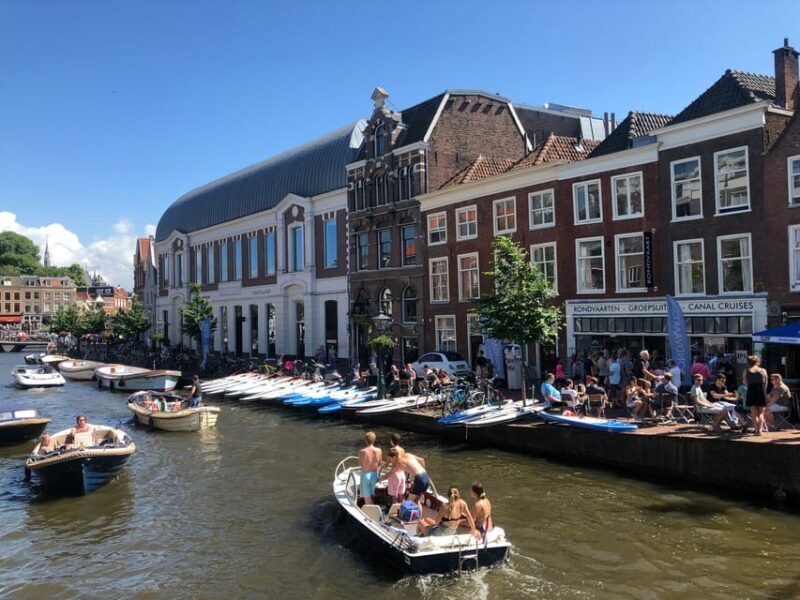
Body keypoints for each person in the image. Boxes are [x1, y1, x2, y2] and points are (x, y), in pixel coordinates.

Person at [745, 355, 768, 436]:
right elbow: (765, 384)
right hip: (761, 391)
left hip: (751, 391)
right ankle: (760, 430)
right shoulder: (763, 371)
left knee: (754, 413)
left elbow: (745, 384)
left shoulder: (746, 371)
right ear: (758, 361)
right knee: (761, 413)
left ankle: (756, 431)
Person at [358, 432, 382, 505]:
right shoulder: (379, 450)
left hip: (365, 474)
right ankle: (374, 509)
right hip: (374, 474)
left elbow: (360, 464)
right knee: (372, 493)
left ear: (366, 440)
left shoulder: (362, 451)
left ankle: (370, 512)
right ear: (374, 440)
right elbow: (379, 463)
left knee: (367, 497)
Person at [385, 434, 407, 503]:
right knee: (401, 496)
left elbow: (387, 464)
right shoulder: (402, 450)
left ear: (391, 441)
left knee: (394, 496)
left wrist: (383, 463)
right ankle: (404, 511)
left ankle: (396, 512)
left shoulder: (391, 450)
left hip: (394, 475)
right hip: (402, 474)